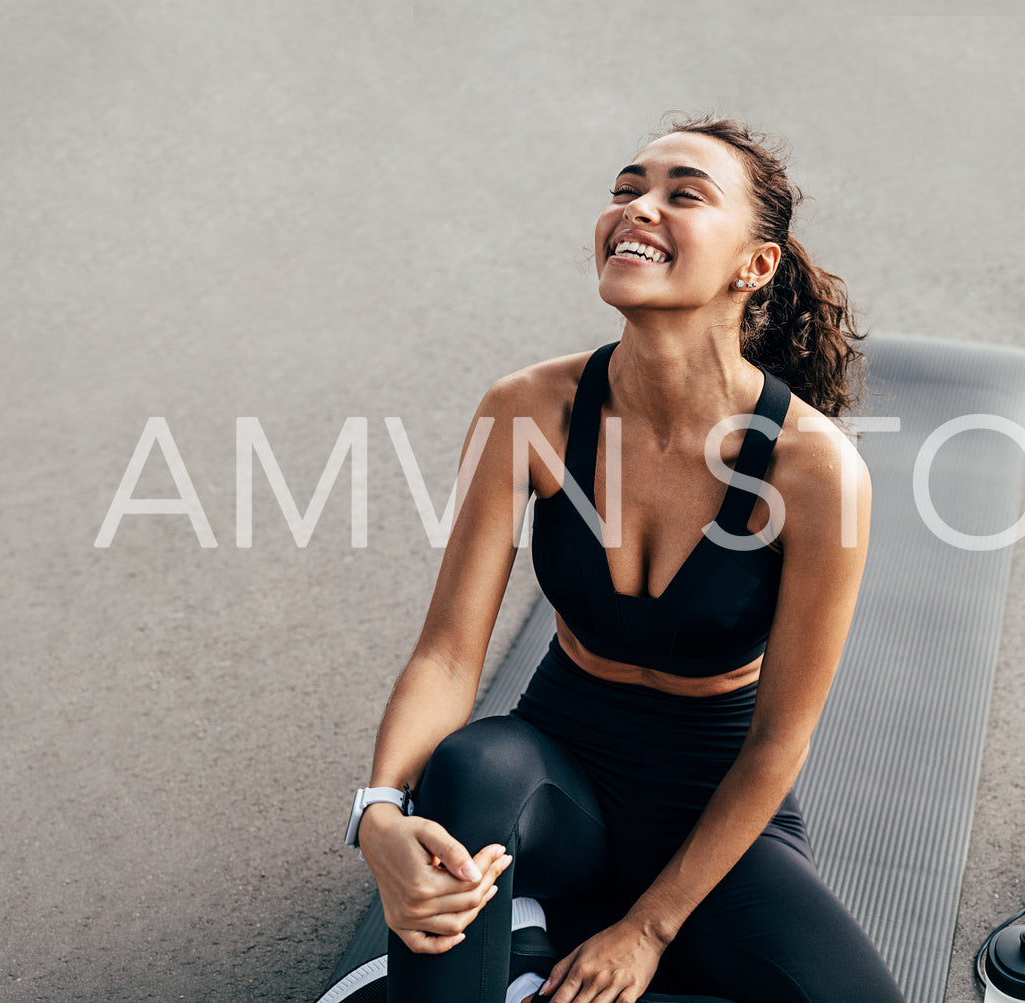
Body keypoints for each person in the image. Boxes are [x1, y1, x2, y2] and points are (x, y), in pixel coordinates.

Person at [351, 113, 906, 1003]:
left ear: (753, 265)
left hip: (712, 792)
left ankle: (525, 964)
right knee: (468, 768)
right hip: (553, 767)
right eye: (624, 191)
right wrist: (378, 807)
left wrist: (647, 928)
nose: (636, 209)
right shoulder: (525, 409)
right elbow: (449, 652)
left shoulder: (814, 470)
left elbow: (778, 740)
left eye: (682, 195)